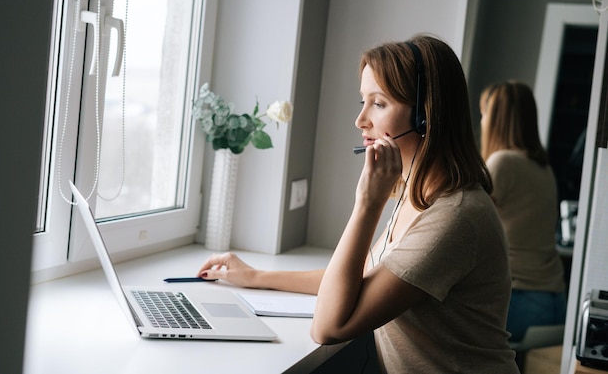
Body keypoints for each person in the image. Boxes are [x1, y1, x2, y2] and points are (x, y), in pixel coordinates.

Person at [198, 35, 519, 373]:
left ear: (425, 115)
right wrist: (255, 276)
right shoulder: (421, 195)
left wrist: (367, 204)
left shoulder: (453, 217)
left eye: (378, 103)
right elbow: (358, 277)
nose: (360, 119)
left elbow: (328, 327)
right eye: (363, 101)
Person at [479, 81, 566, 343]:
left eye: (484, 114)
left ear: (496, 120)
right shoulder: (543, 168)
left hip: (521, 301)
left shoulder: (502, 162)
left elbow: (465, 222)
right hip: (555, 303)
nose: (481, 122)